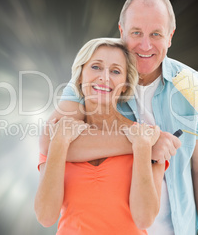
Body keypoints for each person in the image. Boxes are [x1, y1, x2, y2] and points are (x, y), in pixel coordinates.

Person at [39, 0, 198, 235]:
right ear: (122, 32)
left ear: (170, 36)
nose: (145, 45)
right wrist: (143, 141)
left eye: (156, 34)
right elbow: (51, 141)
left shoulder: (195, 86)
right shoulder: (96, 85)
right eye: (136, 33)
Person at [34, 38, 169, 234]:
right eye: (96, 67)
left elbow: (144, 218)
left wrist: (141, 148)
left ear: (124, 85)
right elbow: (46, 217)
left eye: (115, 71)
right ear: (80, 77)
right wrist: (60, 143)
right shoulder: (58, 134)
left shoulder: (146, 137)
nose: (104, 77)